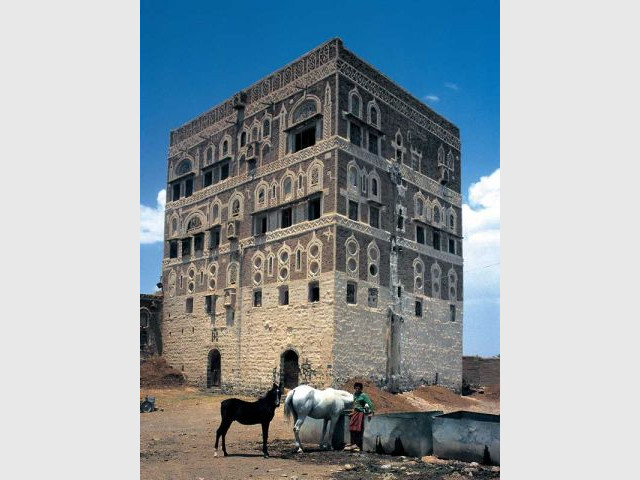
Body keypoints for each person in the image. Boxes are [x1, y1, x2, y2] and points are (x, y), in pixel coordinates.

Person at [344, 382, 374, 452]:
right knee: (351, 427)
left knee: (358, 429)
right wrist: (352, 412)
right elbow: (354, 405)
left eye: (359, 388)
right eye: (356, 387)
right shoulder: (354, 394)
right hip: (355, 413)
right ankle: (352, 443)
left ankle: (356, 444)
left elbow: (370, 403)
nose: (357, 389)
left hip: (360, 413)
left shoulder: (363, 395)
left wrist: (371, 412)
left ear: (361, 388)